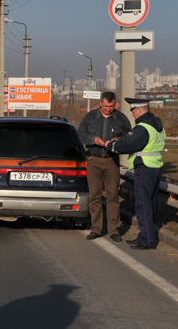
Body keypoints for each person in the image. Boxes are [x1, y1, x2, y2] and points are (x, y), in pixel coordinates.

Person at [105, 98, 166, 250]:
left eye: (132, 111)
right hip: (155, 167)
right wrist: (121, 139)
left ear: (138, 110)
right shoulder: (157, 125)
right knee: (149, 205)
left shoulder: (142, 127)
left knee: (143, 206)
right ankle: (144, 236)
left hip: (144, 168)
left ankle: (148, 241)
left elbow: (129, 144)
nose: (132, 114)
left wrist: (111, 145)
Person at [78, 91, 131, 242]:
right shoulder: (90, 117)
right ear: (101, 103)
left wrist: (118, 139)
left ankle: (114, 230)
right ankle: (96, 228)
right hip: (93, 159)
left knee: (113, 196)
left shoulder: (120, 118)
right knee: (95, 196)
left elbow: (130, 135)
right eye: (106, 106)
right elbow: (81, 134)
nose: (109, 109)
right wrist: (93, 139)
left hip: (112, 160)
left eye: (112, 106)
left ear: (115, 104)